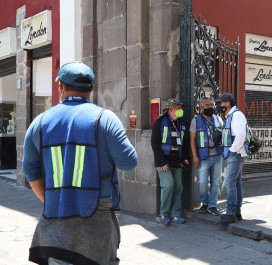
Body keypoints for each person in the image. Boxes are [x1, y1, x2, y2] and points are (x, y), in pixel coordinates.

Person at [22, 61, 138, 265]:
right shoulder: (106, 119)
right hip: (97, 217)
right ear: (91, 89)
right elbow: (129, 162)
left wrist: (51, 200)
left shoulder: (38, 123)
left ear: (60, 87)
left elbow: (30, 170)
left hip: (56, 217)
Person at [151, 98, 190, 225]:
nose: (180, 110)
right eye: (178, 108)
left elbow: (184, 143)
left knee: (178, 187)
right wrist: (161, 162)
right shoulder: (160, 122)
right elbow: (155, 144)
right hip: (164, 162)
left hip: (177, 161)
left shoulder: (182, 123)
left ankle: (176, 214)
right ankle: (165, 214)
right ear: (170, 109)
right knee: (168, 185)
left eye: (181, 108)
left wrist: (184, 157)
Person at [215, 93, 249, 225]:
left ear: (227, 103)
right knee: (236, 182)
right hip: (235, 152)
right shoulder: (230, 116)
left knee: (229, 182)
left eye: (220, 103)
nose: (219, 106)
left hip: (236, 153)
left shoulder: (237, 115)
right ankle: (237, 212)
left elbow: (240, 135)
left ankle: (230, 213)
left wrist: (231, 151)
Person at [190, 97, 223, 216]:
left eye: (211, 105)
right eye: (207, 105)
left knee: (215, 182)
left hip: (217, 156)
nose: (210, 107)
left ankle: (213, 205)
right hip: (203, 157)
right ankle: (204, 203)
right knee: (202, 182)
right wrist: (195, 156)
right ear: (201, 108)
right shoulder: (196, 121)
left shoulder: (218, 119)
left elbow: (224, 134)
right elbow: (192, 140)